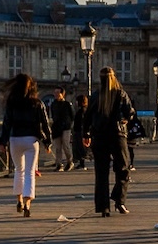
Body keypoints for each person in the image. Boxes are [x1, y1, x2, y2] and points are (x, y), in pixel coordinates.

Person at [0, 73, 52, 218]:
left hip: (15, 139)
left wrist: (3, 141)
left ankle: (19, 200)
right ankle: (27, 203)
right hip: (31, 140)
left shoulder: (11, 102)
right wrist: (48, 142)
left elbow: (7, 123)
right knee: (29, 172)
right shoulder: (37, 103)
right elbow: (45, 124)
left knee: (18, 170)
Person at [81, 67, 135, 216]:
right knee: (123, 169)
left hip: (99, 135)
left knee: (101, 173)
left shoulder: (96, 95)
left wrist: (86, 134)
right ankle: (119, 200)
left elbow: (87, 116)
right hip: (117, 135)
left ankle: (103, 207)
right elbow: (130, 112)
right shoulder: (120, 94)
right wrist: (126, 119)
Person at [48, 89, 77, 171]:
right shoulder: (53, 104)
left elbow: (72, 115)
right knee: (58, 147)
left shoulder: (67, 104)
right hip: (56, 127)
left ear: (62, 94)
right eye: (55, 92)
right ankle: (59, 164)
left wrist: (69, 124)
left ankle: (70, 161)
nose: (56, 94)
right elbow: (52, 115)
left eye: (58, 93)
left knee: (65, 145)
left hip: (66, 127)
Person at [72, 93, 91, 170]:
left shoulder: (82, 111)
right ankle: (81, 163)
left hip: (80, 131)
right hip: (79, 130)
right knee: (80, 148)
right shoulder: (83, 110)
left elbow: (81, 122)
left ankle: (82, 163)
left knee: (80, 147)